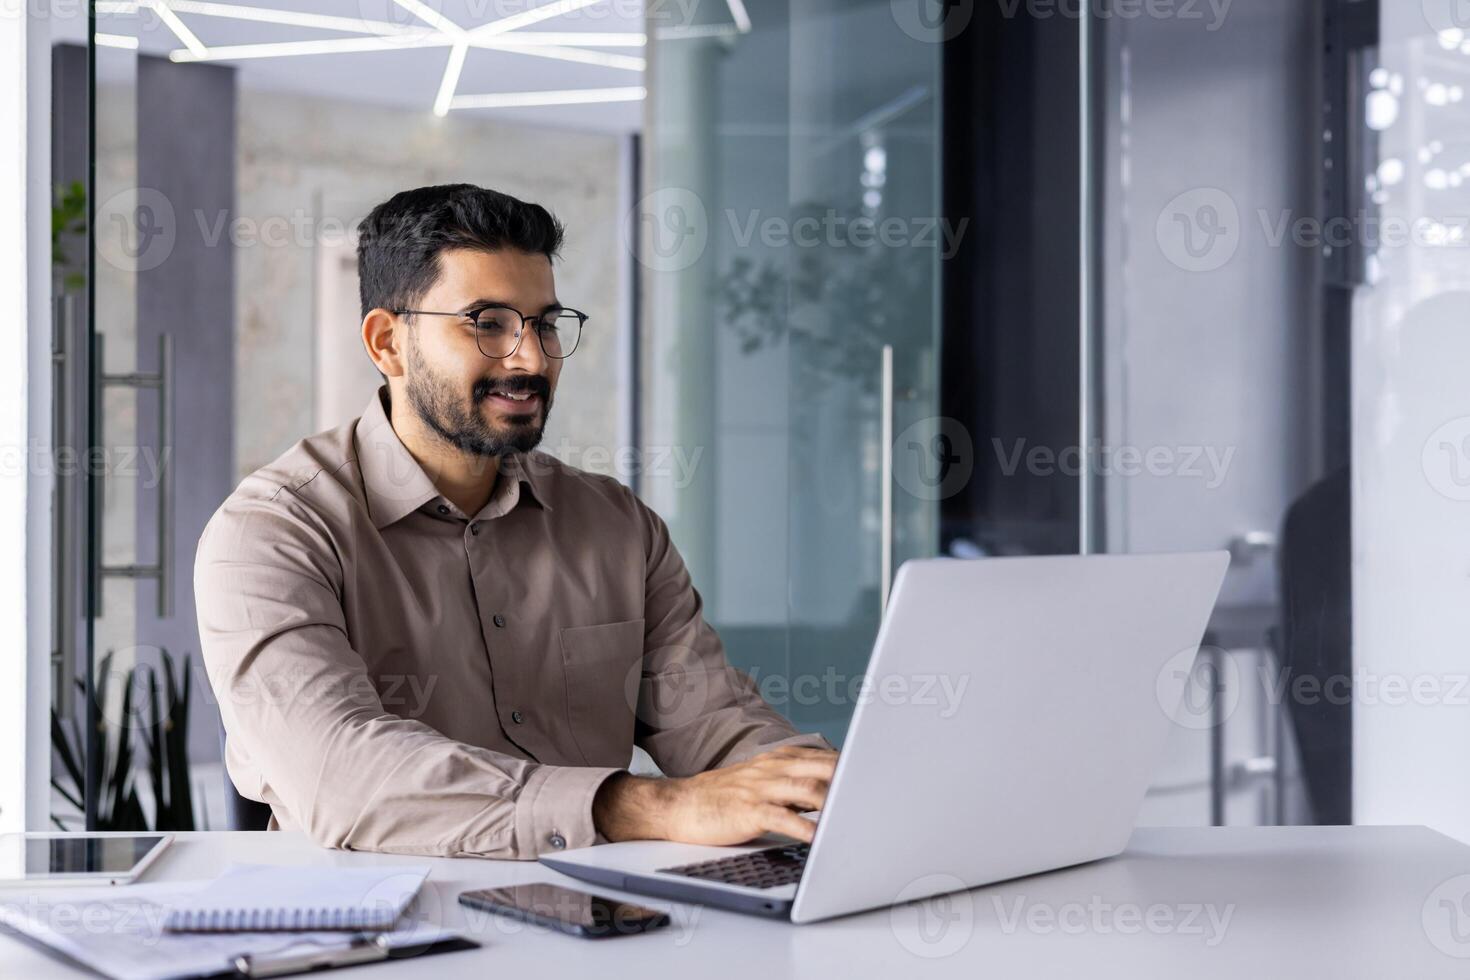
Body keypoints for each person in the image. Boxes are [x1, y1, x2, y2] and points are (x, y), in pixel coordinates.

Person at [195, 183, 836, 859]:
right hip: (381, 942)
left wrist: (823, 788)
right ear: (389, 344)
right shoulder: (272, 534)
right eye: (488, 324)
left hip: (604, 927)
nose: (531, 358)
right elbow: (339, 773)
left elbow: (713, 722)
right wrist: (643, 804)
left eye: (545, 324)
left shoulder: (617, 527)